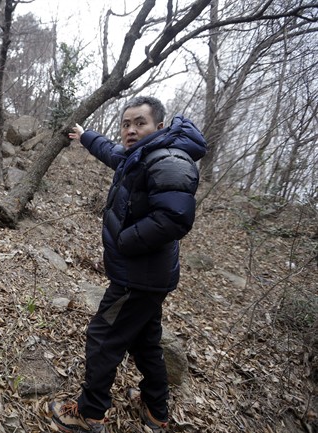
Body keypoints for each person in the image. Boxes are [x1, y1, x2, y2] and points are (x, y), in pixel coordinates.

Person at [46, 96, 207, 433]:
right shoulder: (145, 152)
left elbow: (175, 217)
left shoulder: (169, 157)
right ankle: (155, 408)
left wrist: (126, 240)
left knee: (104, 336)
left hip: (136, 278)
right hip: (149, 277)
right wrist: (86, 135)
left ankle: (90, 413)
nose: (131, 130)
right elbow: (113, 153)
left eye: (140, 123)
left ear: (158, 127)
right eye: (126, 124)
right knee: (145, 339)